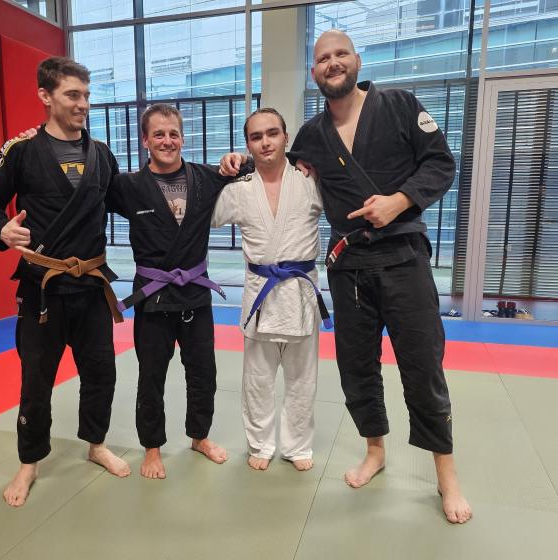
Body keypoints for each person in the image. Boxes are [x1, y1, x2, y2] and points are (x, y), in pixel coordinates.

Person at [222, 30, 472, 524]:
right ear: (314, 71)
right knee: (357, 367)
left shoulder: (400, 106)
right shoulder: (313, 135)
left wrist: (400, 200)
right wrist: (240, 162)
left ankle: (446, 473)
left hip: (403, 257)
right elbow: (280, 166)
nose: (332, 63)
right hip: (349, 265)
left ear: (356, 60)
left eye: (340, 54)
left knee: (422, 366)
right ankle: (375, 450)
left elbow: (441, 163)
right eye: (322, 59)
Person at [0, 57, 130, 508]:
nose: (84, 104)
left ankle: (96, 443)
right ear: (45, 96)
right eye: (72, 95)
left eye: (87, 95)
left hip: (91, 284)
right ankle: (29, 461)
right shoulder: (20, 151)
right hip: (42, 286)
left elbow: (129, 199)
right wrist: (1, 230)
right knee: (36, 379)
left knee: (101, 372)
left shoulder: (102, 154)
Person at [107, 104, 233, 479]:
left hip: (195, 294)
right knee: (151, 377)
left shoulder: (206, 177)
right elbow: (86, 189)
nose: (167, 141)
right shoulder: (129, 187)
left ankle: (199, 436)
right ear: (145, 140)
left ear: (183, 137)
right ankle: (152, 448)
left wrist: (237, 159)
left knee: (203, 373)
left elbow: (252, 168)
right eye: (158, 134)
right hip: (153, 298)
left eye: (173, 133)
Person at [212, 108, 327, 472]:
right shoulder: (240, 190)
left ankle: (297, 445)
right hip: (260, 293)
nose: (265, 142)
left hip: (300, 294)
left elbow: (345, 200)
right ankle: (260, 443)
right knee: (257, 380)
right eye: (256, 136)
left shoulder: (311, 181)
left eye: (272, 133)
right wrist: (221, 171)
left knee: (302, 379)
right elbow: (205, 215)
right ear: (247, 145)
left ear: (286, 137)